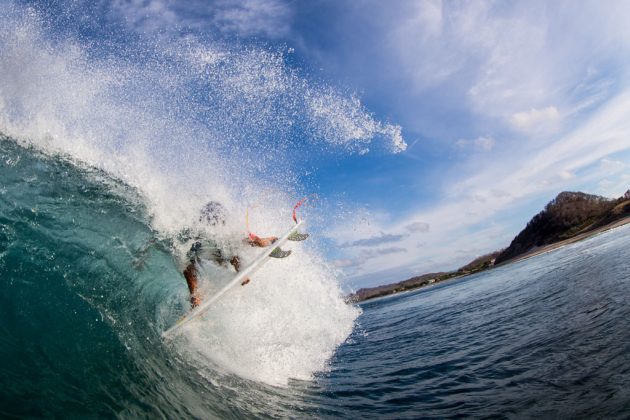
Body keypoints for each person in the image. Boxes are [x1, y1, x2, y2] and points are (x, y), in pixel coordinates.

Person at [183, 202, 278, 308]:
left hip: (223, 249)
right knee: (223, 257)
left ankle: (242, 270)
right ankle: (200, 295)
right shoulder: (198, 236)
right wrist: (194, 294)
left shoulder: (228, 233)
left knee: (235, 251)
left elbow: (252, 240)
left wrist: (265, 241)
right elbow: (188, 266)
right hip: (211, 251)